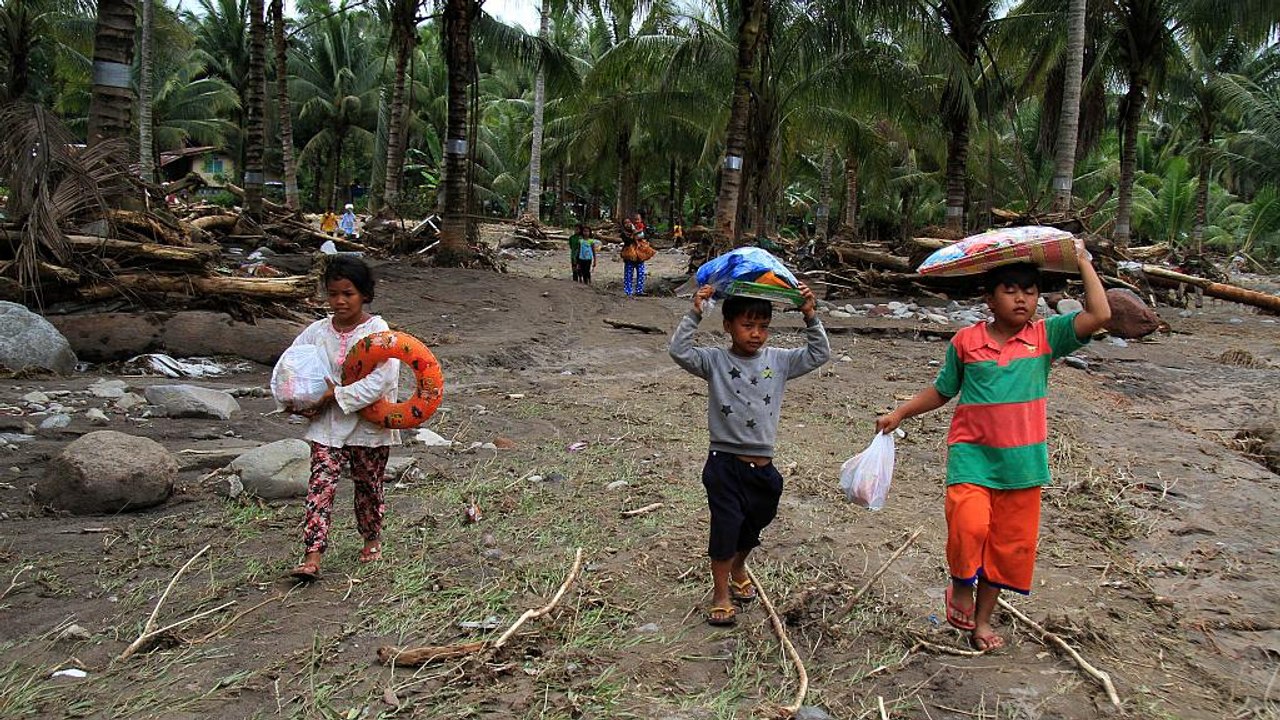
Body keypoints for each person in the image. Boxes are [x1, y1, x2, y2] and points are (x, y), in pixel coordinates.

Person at [875, 246, 1110, 651]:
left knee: (1006, 550)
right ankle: (960, 584)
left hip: (1023, 466)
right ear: (988, 298)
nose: (1022, 299)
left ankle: (982, 623)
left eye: (1031, 292)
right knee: (968, 527)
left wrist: (1085, 263)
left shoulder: (1045, 337)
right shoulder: (967, 341)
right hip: (973, 457)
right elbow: (942, 390)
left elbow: (1101, 315)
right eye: (1010, 290)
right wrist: (900, 414)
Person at [669, 284, 830, 626]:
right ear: (727, 325)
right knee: (725, 529)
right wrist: (696, 312)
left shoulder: (780, 360)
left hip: (763, 469)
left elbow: (818, 354)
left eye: (763, 326)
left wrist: (810, 315)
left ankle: (740, 564)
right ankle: (721, 593)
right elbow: (679, 351)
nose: (756, 334)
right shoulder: (714, 360)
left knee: (756, 523)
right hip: (723, 464)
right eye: (747, 325)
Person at [283, 255, 400, 580]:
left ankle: (371, 537)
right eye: (333, 293)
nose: (339, 301)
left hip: (369, 426)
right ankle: (313, 555)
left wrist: (336, 394)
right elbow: (292, 365)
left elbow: (385, 378)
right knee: (320, 486)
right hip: (327, 426)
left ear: (364, 293)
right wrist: (295, 399)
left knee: (368, 485)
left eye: (347, 293)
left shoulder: (377, 330)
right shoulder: (317, 332)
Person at [621, 211, 648, 297]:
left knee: (641, 273)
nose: (627, 224)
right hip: (629, 256)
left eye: (629, 222)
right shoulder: (623, 234)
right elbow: (628, 241)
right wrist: (634, 235)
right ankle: (628, 291)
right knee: (628, 274)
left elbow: (643, 236)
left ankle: (639, 290)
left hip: (639, 256)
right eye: (625, 223)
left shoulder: (638, 228)